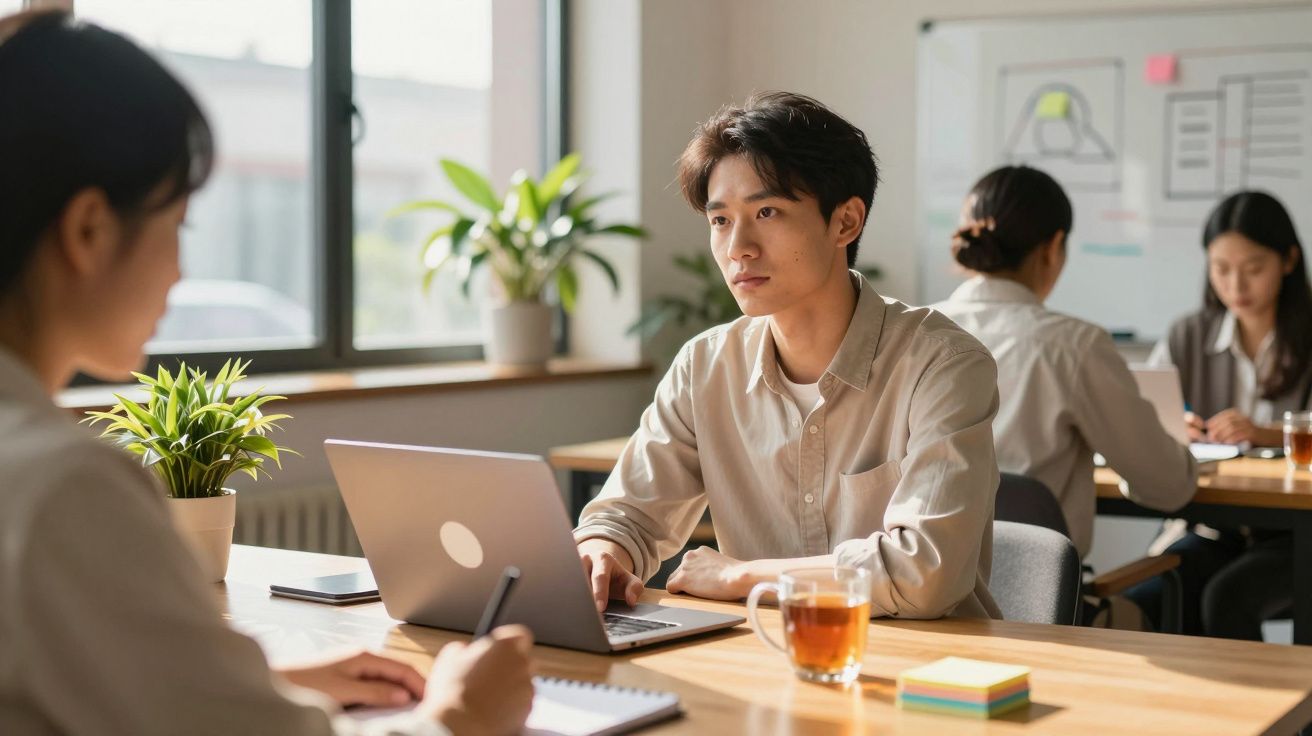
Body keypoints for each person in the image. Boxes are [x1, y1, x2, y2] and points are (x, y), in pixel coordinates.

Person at [0, 11, 533, 735]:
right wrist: (463, 713)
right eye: (177, 225)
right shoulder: (64, 488)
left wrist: (253, 684)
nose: (181, 270)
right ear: (88, 229)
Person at [574, 91, 1003, 620]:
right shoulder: (704, 367)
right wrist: (602, 551)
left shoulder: (942, 364)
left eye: (767, 211)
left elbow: (924, 574)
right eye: (720, 221)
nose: (738, 248)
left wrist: (742, 576)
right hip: (763, 664)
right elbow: (627, 517)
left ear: (845, 222)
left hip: (928, 674)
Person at [932, 165, 1197, 562]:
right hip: (1039, 609)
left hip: (922, 599)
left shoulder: (916, 330)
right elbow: (1168, 485)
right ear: (1054, 247)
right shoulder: (1074, 346)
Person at [1125, 190, 1312, 640]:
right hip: (1218, 525)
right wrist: (1174, 429)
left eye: (1253, 269)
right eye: (1221, 269)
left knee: (1226, 597)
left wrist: (1266, 434)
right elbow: (1141, 409)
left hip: (1298, 531)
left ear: (1288, 261)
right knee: (1151, 595)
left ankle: (1269, 711)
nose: (1236, 286)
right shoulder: (1189, 333)